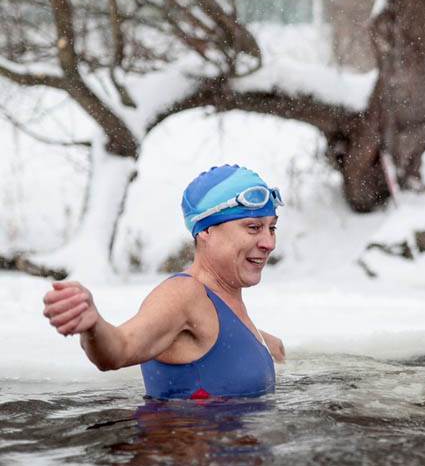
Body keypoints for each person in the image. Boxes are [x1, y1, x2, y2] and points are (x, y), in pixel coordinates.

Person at [42, 164, 286, 400]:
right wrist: (94, 326)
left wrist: (266, 347)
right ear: (206, 230)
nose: (269, 243)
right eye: (253, 227)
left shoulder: (232, 314)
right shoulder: (183, 295)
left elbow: (225, 344)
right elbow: (119, 349)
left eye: (272, 228)